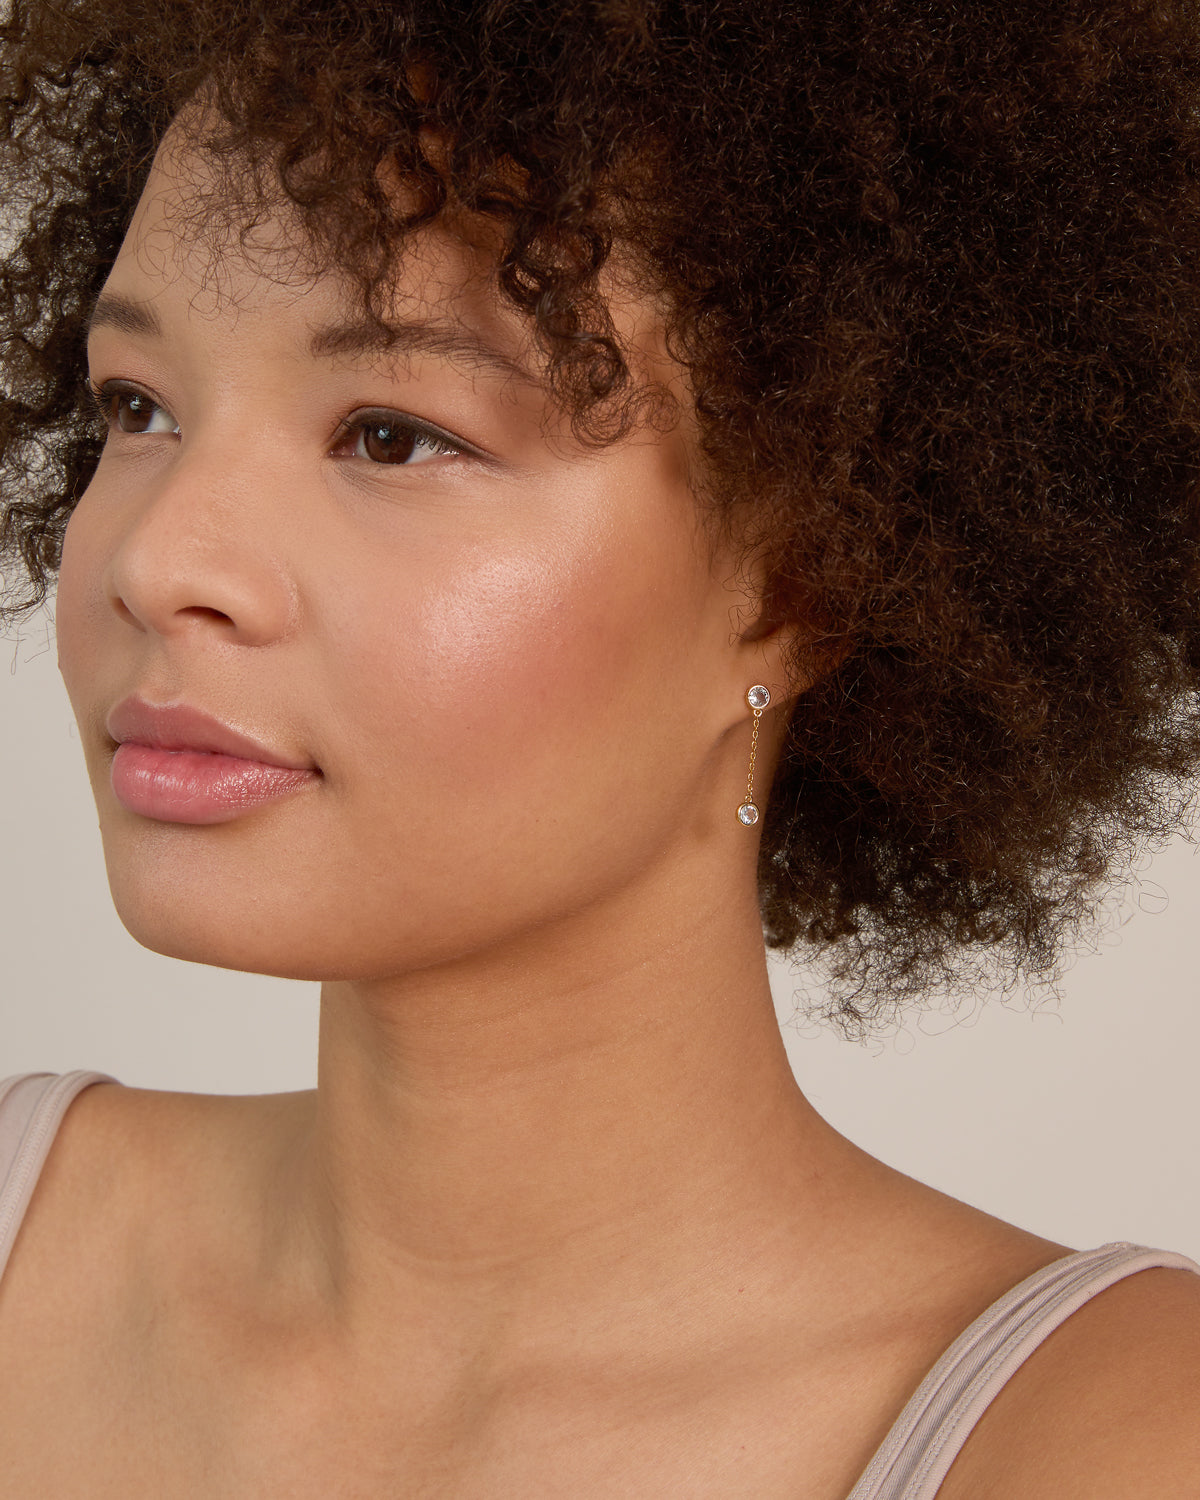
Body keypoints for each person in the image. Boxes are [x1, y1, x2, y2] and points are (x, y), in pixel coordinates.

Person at [2, 0, 1200, 1493]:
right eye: (140, 408)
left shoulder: (1118, 1442)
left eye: (392, 434)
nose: (156, 558)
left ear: (803, 582)